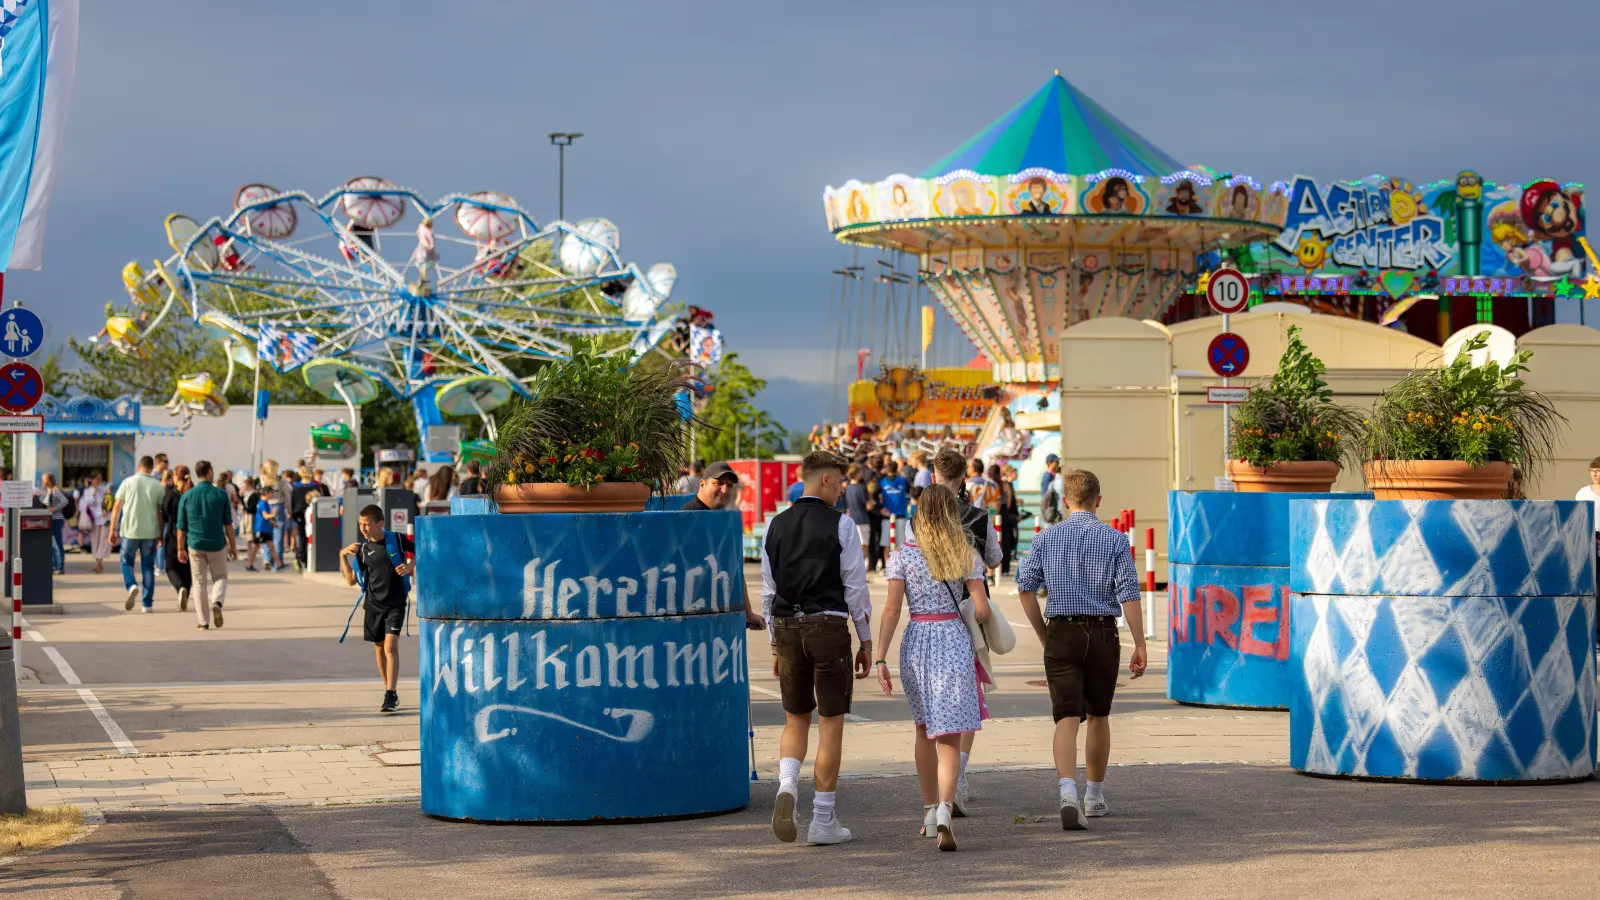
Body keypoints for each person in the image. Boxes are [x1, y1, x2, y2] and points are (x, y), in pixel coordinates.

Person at [1016, 468, 1147, 830]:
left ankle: (1066, 791)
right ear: (1098, 501)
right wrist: (1139, 643)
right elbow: (1129, 596)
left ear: (1066, 501)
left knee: (1066, 717)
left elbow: (1025, 588)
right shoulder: (1116, 540)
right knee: (1100, 715)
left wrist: (1044, 634)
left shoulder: (1047, 537)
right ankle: (1094, 795)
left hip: (1062, 631)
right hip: (1103, 633)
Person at [760, 450, 873, 846]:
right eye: (840, 481)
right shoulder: (842, 526)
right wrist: (865, 638)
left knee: (795, 720)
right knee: (831, 723)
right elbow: (855, 587)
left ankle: (787, 785)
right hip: (827, 626)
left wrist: (775, 645)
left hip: (787, 626)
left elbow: (769, 591)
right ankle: (823, 818)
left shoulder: (775, 525)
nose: (843, 489)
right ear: (825, 480)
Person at [874, 484, 992, 850]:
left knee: (923, 729)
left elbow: (892, 609)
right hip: (952, 640)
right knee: (950, 736)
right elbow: (983, 608)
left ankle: (928, 811)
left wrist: (880, 656)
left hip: (917, 641)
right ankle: (944, 809)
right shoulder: (965, 554)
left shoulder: (902, 557)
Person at [341, 504, 415, 713]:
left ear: (380, 524)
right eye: (361, 524)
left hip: (396, 603)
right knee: (380, 649)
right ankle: (388, 689)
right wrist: (342, 556)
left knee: (391, 647)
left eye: (367, 524)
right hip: (373, 605)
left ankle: (390, 694)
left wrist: (410, 566)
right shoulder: (363, 550)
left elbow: (421, 550)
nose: (363, 528)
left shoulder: (398, 540)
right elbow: (350, 581)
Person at [177, 460, 238, 630]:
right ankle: (217, 601)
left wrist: (180, 548)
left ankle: (203, 621)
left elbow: (181, 527)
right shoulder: (220, 494)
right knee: (220, 577)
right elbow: (228, 524)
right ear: (210, 471)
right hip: (217, 544)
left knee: (199, 583)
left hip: (195, 544)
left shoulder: (187, 496)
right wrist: (233, 546)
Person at [110, 455, 165, 612]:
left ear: (139, 466)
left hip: (130, 532)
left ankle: (131, 585)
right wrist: (160, 533)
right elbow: (160, 512)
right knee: (148, 567)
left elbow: (116, 507)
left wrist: (113, 529)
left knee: (126, 561)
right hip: (150, 532)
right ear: (151, 467)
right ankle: (147, 604)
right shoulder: (157, 486)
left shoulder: (128, 482)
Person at [161, 466, 194, 612]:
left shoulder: (171, 495)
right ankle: (185, 592)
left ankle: (180, 587)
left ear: (175, 477)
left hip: (174, 535)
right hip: (191, 536)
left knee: (171, 567)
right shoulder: (192, 493)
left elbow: (165, 515)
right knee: (188, 568)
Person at [78, 471, 112, 574]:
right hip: (94, 519)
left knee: (104, 541)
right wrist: (94, 492)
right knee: (95, 541)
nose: (98, 481)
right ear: (91, 480)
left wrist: (107, 507)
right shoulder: (87, 491)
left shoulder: (105, 490)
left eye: (100, 478)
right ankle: (98, 562)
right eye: (96, 478)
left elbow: (109, 501)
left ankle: (99, 563)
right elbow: (89, 503)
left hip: (105, 518)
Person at [843, 464, 873, 574]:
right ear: (856, 474)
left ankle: (856, 564)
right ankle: (865, 565)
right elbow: (868, 505)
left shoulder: (848, 488)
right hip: (863, 519)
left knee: (854, 544)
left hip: (852, 519)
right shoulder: (861, 488)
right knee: (864, 544)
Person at [247, 486, 284, 572]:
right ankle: (249, 565)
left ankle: (279, 564)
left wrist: (273, 523)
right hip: (260, 529)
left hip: (265, 529)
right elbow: (265, 516)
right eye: (271, 492)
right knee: (256, 547)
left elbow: (267, 517)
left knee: (271, 547)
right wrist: (274, 514)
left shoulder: (266, 503)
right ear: (266, 493)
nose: (273, 494)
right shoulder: (262, 503)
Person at [40, 474, 70, 574]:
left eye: (44, 480)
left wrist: (55, 509)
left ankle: (59, 566)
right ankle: (55, 565)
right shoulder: (48, 491)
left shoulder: (55, 490)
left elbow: (65, 501)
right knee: (53, 544)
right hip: (52, 520)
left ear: (49, 480)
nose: (43, 482)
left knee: (57, 544)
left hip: (56, 520)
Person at [996, 464, 1021, 577]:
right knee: (1007, 542)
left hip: (1004, 517)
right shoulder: (1007, 485)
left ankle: (1003, 568)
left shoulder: (1002, 485)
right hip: (1007, 518)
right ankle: (1004, 568)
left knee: (1005, 541)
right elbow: (1008, 503)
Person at [1040, 454, 1063, 526]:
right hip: (1051, 509)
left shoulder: (1053, 475)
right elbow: (1045, 495)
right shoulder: (1047, 476)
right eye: (1056, 462)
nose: (1058, 464)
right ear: (1050, 463)